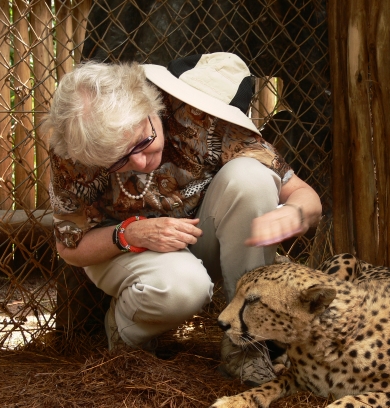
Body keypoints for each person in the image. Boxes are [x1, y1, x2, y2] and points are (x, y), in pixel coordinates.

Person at [44, 52, 322, 385]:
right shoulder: (76, 148)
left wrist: (293, 213)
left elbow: (306, 196)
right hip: (121, 247)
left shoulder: (200, 114)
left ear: (150, 106)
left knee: (251, 178)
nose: (141, 163)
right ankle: (127, 335)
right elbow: (71, 247)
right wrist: (130, 234)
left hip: (200, 235)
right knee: (183, 287)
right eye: (119, 160)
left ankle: (245, 350)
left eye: (144, 142)